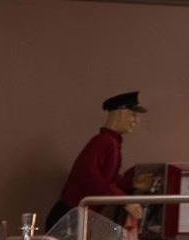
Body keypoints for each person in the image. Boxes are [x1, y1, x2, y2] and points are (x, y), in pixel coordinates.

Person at [46, 92, 147, 230]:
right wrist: (124, 200)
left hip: (79, 216)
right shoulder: (103, 142)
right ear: (120, 114)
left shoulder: (111, 142)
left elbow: (107, 179)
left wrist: (132, 183)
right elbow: (90, 176)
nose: (136, 121)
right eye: (133, 115)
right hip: (71, 217)